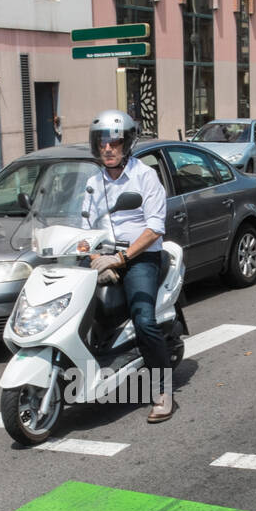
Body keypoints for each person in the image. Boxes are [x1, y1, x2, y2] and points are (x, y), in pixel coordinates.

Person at [81, 109, 175, 422]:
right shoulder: (93, 183)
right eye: (102, 142)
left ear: (127, 144)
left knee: (144, 319)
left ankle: (162, 390)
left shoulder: (144, 176)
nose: (108, 148)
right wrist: (93, 257)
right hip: (104, 256)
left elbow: (154, 228)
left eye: (114, 142)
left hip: (140, 257)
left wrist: (121, 258)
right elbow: (84, 228)